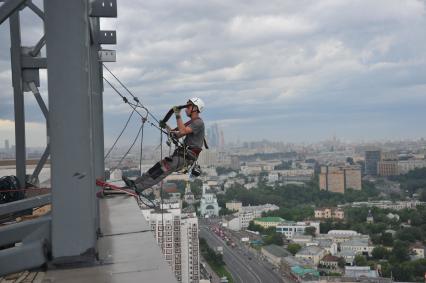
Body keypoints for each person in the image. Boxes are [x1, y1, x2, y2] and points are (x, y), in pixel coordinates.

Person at [123, 97, 205, 194]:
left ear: (195, 108)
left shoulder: (198, 122)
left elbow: (182, 131)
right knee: (157, 167)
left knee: (161, 171)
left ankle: (137, 188)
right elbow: (177, 135)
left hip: (186, 157)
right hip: (180, 155)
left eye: (188, 106)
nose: (186, 109)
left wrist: (177, 114)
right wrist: (166, 126)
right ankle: (135, 183)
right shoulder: (192, 123)